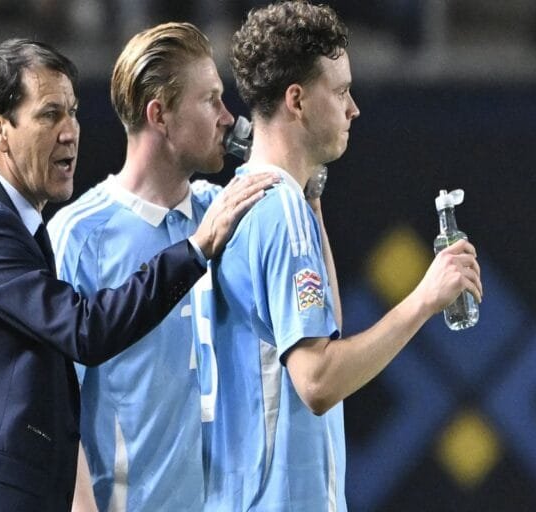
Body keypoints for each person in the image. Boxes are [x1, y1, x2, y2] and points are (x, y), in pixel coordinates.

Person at [0, 38, 278, 512]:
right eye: (49, 114)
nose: (70, 131)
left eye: (72, 112)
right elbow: (85, 329)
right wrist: (195, 250)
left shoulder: (15, 225)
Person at [199, 2, 484, 510]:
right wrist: (423, 299)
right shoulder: (279, 211)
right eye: (341, 91)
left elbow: (323, 327)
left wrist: (314, 200)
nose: (354, 108)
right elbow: (318, 380)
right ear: (297, 100)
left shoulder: (264, 199)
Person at [47, 22, 234, 511]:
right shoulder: (78, 236)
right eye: (210, 100)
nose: (228, 117)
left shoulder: (228, 214)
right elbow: (51, 405)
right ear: (160, 115)